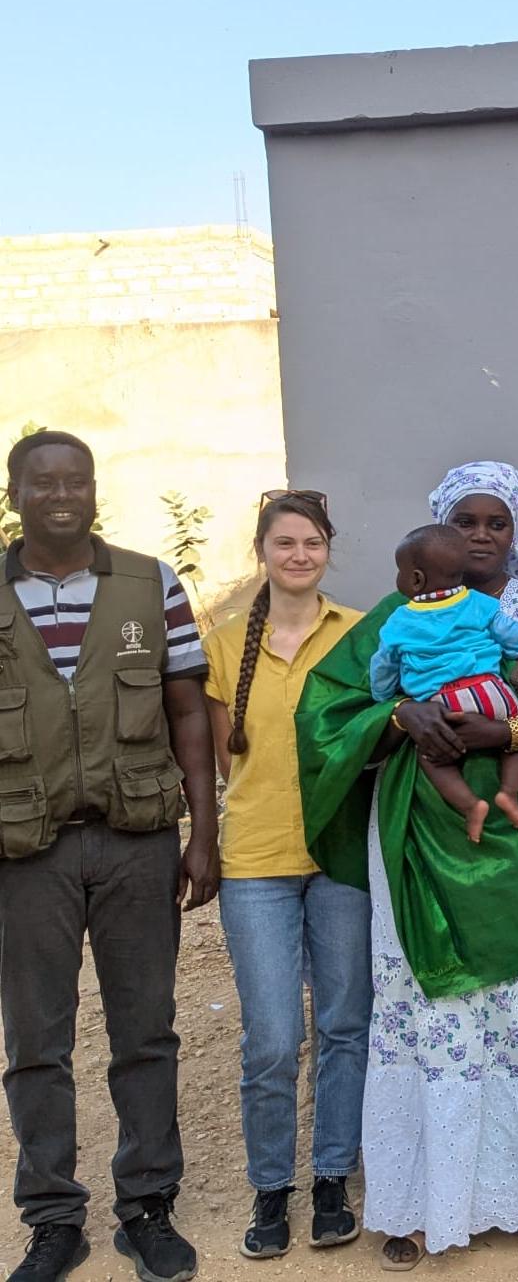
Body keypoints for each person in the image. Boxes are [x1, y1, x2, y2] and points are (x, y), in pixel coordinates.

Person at [296, 461, 518, 1265]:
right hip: (423, 841)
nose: (482, 536)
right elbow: (330, 712)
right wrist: (397, 714)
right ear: (435, 538)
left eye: (498, 523)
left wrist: (507, 734)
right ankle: (420, 1200)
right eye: (467, 522)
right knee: (436, 1017)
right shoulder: (394, 615)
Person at [0, 431, 218, 1282]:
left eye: (76, 479)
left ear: (95, 489)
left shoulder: (148, 580)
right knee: (36, 1045)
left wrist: (204, 831)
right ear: (15, 492)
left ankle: (147, 1208)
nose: (62, 493)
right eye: (42, 481)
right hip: (24, 851)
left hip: (136, 842)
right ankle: (54, 1218)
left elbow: (189, 710)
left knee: (146, 1032)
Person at [202, 490, 368, 1261]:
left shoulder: (361, 633)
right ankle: (272, 1188)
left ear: (329, 548)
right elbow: (211, 760)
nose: (299, 555)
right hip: (256, 865)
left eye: (313, 543)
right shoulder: (224, 639)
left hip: (340, 860)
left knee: (344, 1025)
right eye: (284, 543)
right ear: (261, 550)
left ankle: (333, 1177)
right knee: (271, 1037)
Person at [369, 524, 518, 840]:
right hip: (492, 692)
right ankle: (509, 791)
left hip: (443, 706)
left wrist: (384, 695)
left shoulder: (399, 620)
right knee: (516, 738)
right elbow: (514, 637)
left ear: (415, 579)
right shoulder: (479, 604)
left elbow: (384, 665)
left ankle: (469, 806)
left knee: (432, 757)